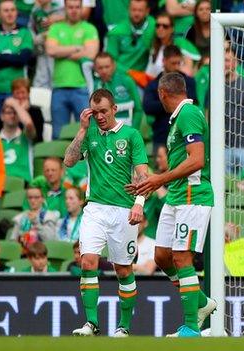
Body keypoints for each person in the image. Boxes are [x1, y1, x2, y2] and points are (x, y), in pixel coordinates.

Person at [127, 72, 216, 337]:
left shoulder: (188, 114)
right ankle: (200, 302)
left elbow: (197, 159)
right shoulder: (177, 119)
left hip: (192, 194)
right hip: (176, 195)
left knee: (182, 257)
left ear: (162, 94)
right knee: (162, 256)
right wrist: (152, 184)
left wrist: (159, 180)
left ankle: (191, 326)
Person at [64, 88, 148, 337]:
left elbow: (144, 174)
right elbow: (69, 161)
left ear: (114, 109)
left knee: (123, 270)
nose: (99, 116)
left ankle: (124, 327)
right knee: (87, 261)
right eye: (95, 112)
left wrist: (139, 203)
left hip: (124, 209)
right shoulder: (89, 135)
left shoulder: (131, 135)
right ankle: (91, 323)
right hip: (95, 209)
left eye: (103, 111)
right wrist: (81, 129)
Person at [45, 0, 100, 139]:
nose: (74, 10)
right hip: (59, 87)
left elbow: (91, 53)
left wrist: (62, 52)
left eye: (77, 7)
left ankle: (85, 162)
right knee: (58, 134)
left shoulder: (89, 28)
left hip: (82, 87)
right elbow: (50, 50)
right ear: (65, 8)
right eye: (70, 7)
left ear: (81, 8)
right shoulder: (56, 28)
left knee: (87, 133)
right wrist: (77, 47)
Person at [0, 0, 34, 116]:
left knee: (18, 128)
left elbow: (24, 59)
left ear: (17, 13)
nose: (10, 13)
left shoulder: (24, 33)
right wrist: (14, 57)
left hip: (18, 93)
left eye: (13, 10)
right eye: (6, 10)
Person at [143, 45, 198, 149]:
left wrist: (165, 101)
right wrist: (174, 102)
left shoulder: (188, 82)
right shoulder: (154, 84)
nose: (176, 67)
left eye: (179, 63)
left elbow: (192, 102)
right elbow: (148, 107)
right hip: (161, 135)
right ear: (164, 61)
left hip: (184, 136)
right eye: (173, 63)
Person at [93, 53, 144, 129]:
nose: (104, 71)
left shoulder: (127, 80)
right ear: (95, 68)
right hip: (106, 132)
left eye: (107, 67)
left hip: (127, 127)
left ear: (114, 66)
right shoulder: (96, 85)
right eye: (100, 68)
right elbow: (94, 113)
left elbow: (138, 109)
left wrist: (133, 132)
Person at [105, 0, 156, 73]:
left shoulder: (155, 26)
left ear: (147, 11)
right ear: (128, 10)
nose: (136, 13)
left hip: (145, 75)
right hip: (121, 74)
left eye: (140, 10)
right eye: (133, 10)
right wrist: (131, 73)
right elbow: (110, 61)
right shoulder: (117, 32)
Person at [145, 12, 200, 79]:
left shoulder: (180, 43)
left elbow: (188, 71)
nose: (160, 28)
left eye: (165, 26)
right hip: (154, 83)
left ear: (172, 29)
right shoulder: (154, 45)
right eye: (158, 25)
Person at [0, 78, 44, 143]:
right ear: (12, 95)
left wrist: (19, 108)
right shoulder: (9, 112)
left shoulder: (36, 111)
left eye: (23, 93)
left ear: (28, 93)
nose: (20, 96)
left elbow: (35, 133)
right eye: (17, 93)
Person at [30, 0, 65, 89]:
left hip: (57, 50)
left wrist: (50, 34)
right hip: (42, 50)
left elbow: (66, 28)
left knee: (56, 77)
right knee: (41, 78)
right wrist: (37, 38)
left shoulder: (59, 9)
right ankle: (39, 102)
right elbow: (31, 29)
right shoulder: (35, 11)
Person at [0, 104, 36, 182]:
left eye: (15, 113)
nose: (12, 115)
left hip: (22, 184)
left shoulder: (26, 137)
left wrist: (14, 103)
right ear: (2, 116)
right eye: (9, 113)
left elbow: (28, 123)